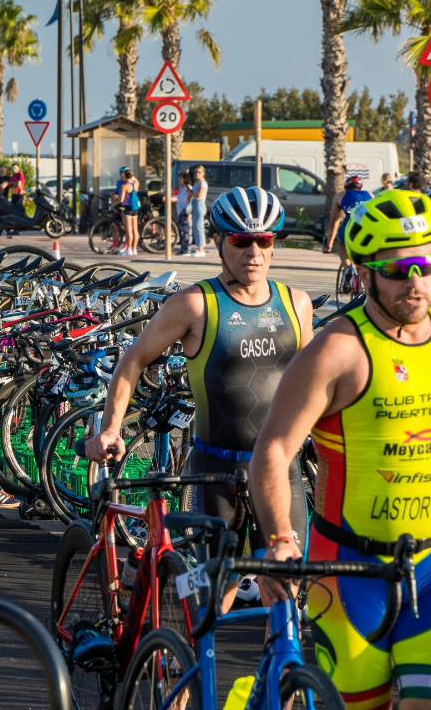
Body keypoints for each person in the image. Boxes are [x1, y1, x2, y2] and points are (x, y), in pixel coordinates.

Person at [249, 189, 431, 708]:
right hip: (349, 572)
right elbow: (273, 451)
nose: (414, 281)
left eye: (426, 264)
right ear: (365, 274)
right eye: (397, 268)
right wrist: (279, 540)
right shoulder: (337, 351)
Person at [88, 187, 313, 599]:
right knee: (217, 589)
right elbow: (133, 361)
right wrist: (111, 428)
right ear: (218, 243)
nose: (254, 252)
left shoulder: (296, 303)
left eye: (264, 241)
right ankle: (192, 653)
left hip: (281, 469)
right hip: (215, 469)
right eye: (241, 241)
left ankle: (275, 665)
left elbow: (313, 384)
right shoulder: (195, 305)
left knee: (283, 585)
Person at [324, 174, 375, 260]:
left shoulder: (340, 195)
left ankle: (348, 267)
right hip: (368, 229)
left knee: (341, 243)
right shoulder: (370, 194)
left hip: (350, 228)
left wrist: (330, 244)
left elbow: (335, 222)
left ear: (346, 186)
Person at [116, 166, 141, 256]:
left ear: (125, 176)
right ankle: (134, 249)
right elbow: (136, 182)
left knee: (129, 230)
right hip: (135, 209)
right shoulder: (135, 184)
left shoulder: (125, 186)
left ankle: (129, 249)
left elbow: (121, 200)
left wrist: (115, 203)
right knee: (135, 230)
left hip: (127, 209)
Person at [190, 165, 208, 257]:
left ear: (203, 173)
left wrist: (191, 191)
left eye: (199, 172)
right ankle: (198, 247)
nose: (197, 174)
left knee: (199, 226)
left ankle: (201, 249)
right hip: (195, 204)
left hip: (199, 204)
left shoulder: (203, 183)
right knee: (196, 226)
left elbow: (200, 195)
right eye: (195, 172)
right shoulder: (197, 183)